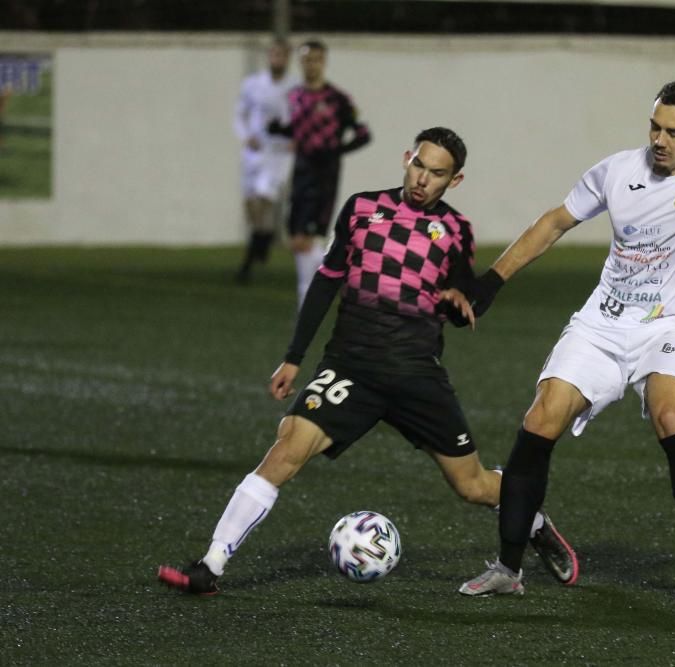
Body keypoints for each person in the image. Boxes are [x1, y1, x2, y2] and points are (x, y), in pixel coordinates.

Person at [158, 127, 578, 595]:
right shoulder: (360, 209)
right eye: (418, 165)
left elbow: (463, 305)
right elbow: (325, 281)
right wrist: (294, 357)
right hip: (351, 367)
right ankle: (210, 566)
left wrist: (459, 301)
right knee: (285, 451)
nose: (423, 179)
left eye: (437, 173)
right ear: (406, 159)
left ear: (454, 181)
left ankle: (533, 521)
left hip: (415, 373)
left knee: (473, 485)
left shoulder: (456, 231)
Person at [456, 80, 675, 602]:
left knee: (670, 415)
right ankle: (507, 568)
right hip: (604, 321)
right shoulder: (617, 170)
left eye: (674, 132)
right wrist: (492, 281)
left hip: (672, 324)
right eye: (655, 126)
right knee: (542, 416)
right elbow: (554, 222)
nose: (660, 139)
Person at [271, 39, 372, 308]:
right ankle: (345, 276)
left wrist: (337, 151)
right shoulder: (294, 97)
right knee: (296, 236)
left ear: (324, 62)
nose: (311, 64)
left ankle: (309, 298)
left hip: (325, 172)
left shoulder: (338, 99)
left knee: (308, 236)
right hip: (302, 169)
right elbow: (293, 129)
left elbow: (363, 133)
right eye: (306, 59)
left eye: (316, 59)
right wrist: (276, 130)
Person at [233, 40, 298, 284]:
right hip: (254, 151)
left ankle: (247, 264)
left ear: (287, 58)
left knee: (263, 201)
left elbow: (300, 119)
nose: (277, 59)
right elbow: (240, 114)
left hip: (279, 153)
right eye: (274, 54)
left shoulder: (295, 87)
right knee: (251, 206)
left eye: (281, 55)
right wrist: (245, 136)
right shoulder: (253, 84)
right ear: (269, 57)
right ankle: (264, 238)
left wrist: (296, 139)